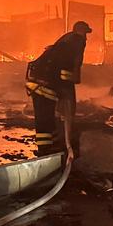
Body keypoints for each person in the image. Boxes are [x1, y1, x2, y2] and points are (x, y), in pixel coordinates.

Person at [25, 20, 89, 153]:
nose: (86, 38)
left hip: (39, 82)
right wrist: (70, 86)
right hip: (44, 85)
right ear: (81, 31)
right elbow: (71, 70)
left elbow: (63, 71)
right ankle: (45, 151)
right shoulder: (77, 41)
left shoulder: (64, 41)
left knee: (48, 118)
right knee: (45, 120)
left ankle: (52, 147)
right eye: (86, 34)